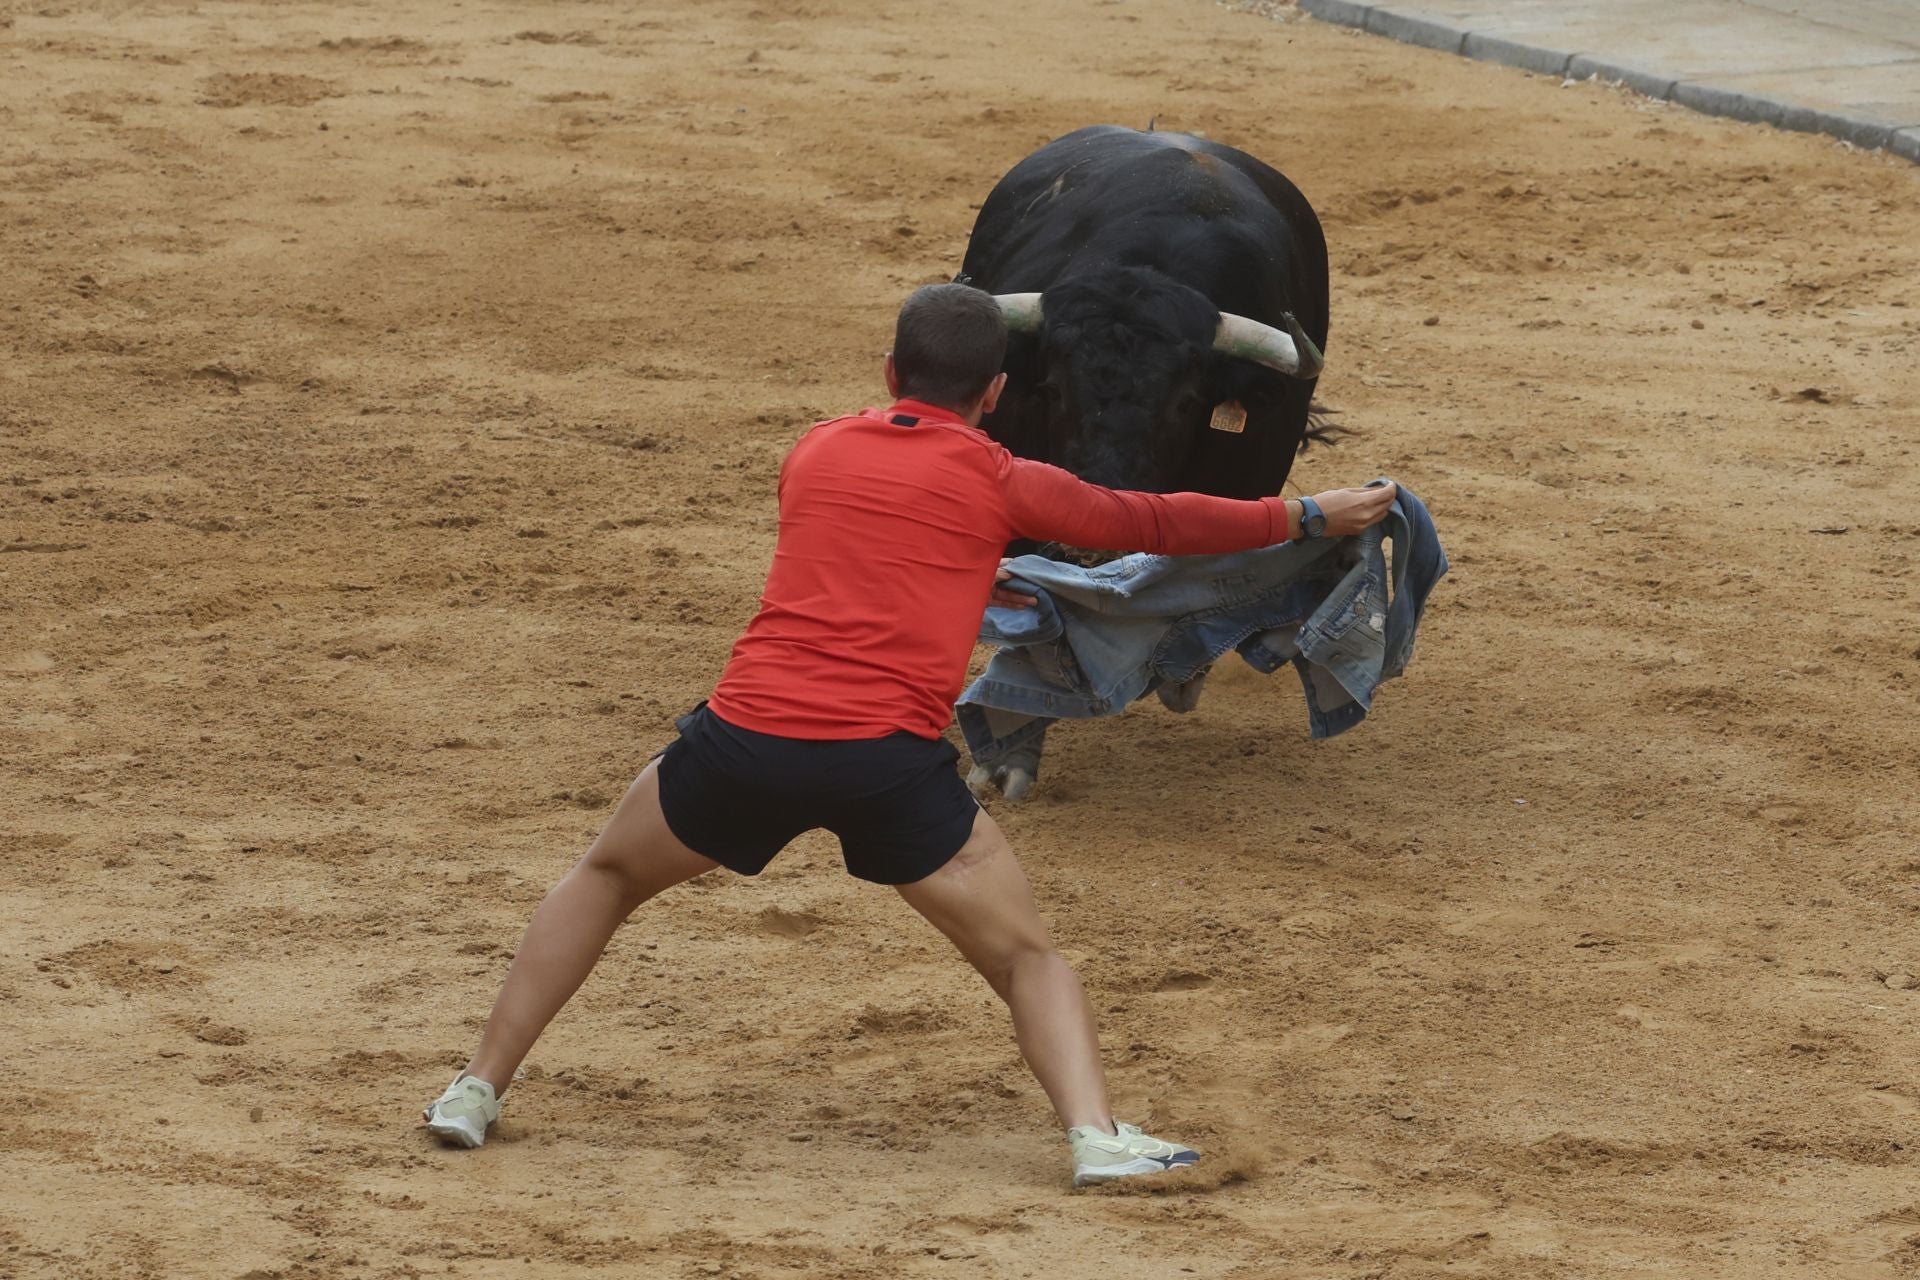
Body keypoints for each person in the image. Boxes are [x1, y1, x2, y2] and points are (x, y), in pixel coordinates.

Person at [423, 283, 1398, 1186]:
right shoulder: (1001, 477)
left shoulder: (813, 448)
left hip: (745, 740)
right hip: (887, 769)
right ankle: (1096, 1136)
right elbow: (1145, 519)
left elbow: (877, 545)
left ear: (891, 373)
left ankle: (475, 1086)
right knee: (1026, 958)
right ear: (999, 391)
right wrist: (1307, 512)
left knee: (604, 877)